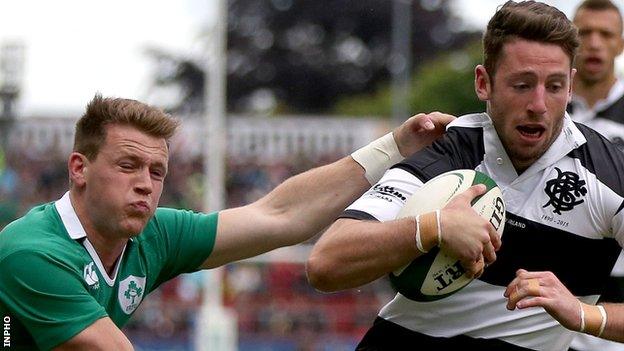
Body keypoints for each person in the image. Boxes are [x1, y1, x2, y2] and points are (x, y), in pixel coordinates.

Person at [0, 94, 487, 350]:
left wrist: (393, 148)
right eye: (128, 166)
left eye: (157, 171)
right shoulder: (30, 253)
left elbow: (279, 216)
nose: (146, 184)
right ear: (78, 169)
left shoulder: (155, 234)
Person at [307, 1, 624, 350]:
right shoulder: (449, 153)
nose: (538, 104)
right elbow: (326, 263)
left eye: (554, 86)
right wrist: (432, 228)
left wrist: (584, 315)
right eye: (522, 85)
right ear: (483, 83)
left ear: (570, 87)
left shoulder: (609, 174)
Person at [567, 1, 624, 351]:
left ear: (620, 43)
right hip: (550, 296)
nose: (594, 43)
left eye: (605, 34)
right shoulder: (544, 109)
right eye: (584, 33)